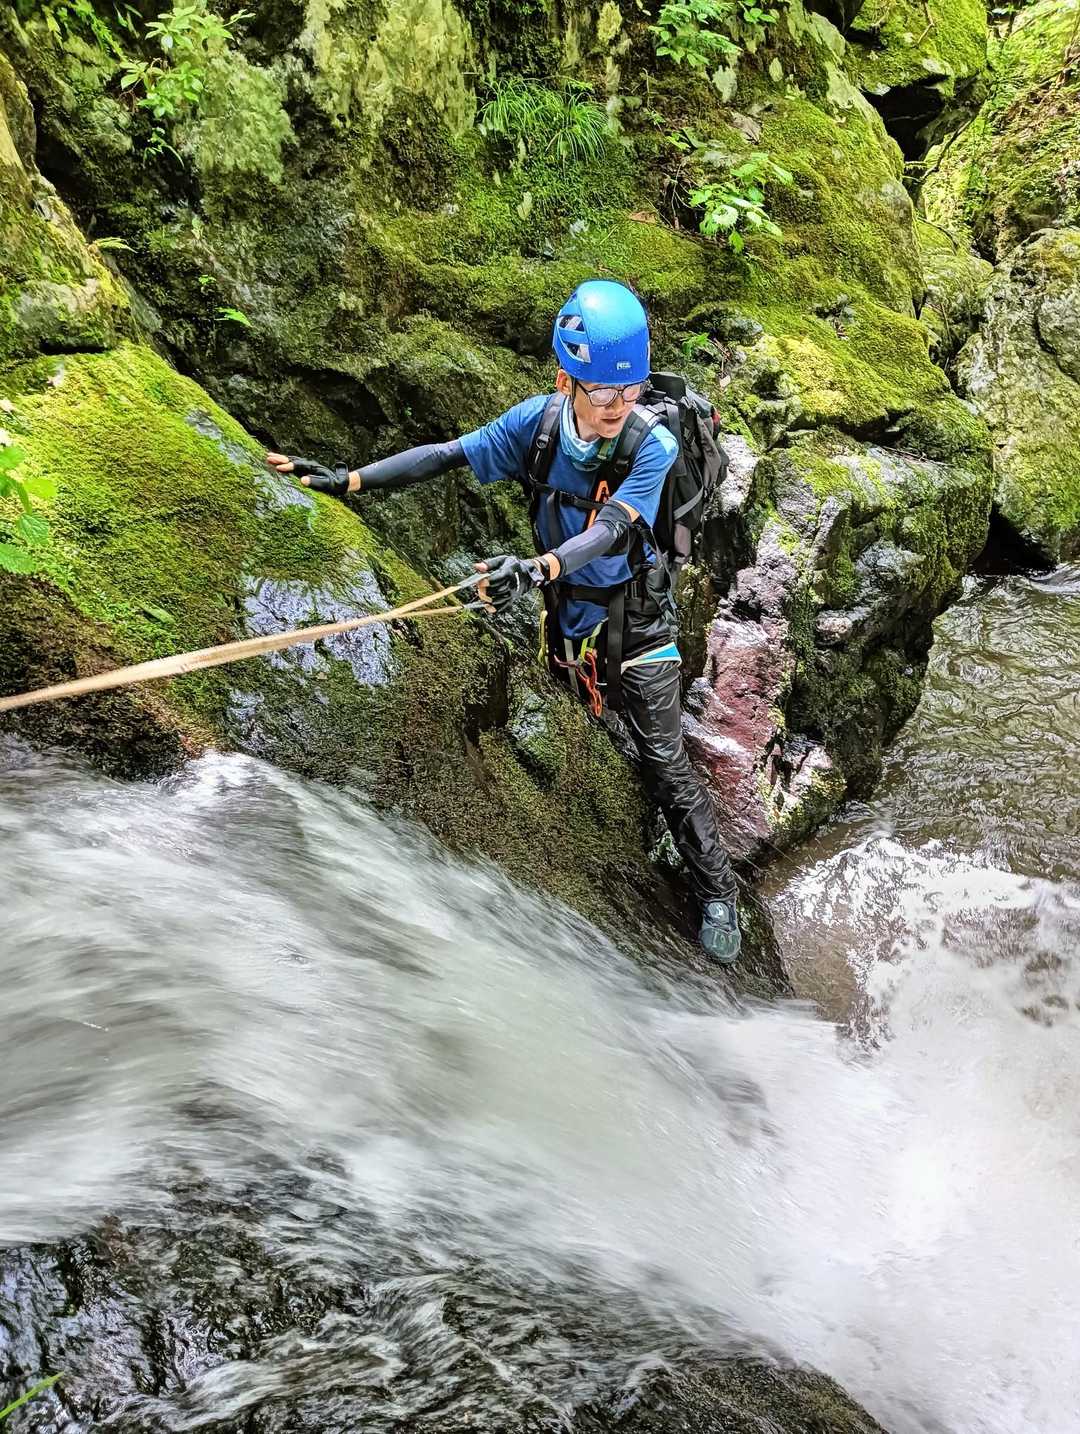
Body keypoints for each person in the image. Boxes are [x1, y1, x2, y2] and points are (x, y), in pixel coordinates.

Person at [266, 280, 741, 962]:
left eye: (629, 389)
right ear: (566, 381)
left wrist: (537, 567)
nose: (617, 405)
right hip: (564, 614)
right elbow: (446, 455)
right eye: (603, 391)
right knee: (594, 730)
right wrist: (350, 480)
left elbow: (611, 529)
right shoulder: (536, 426)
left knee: (664, 760)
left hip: (636, 618)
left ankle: (718, 892)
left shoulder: (653, 447)